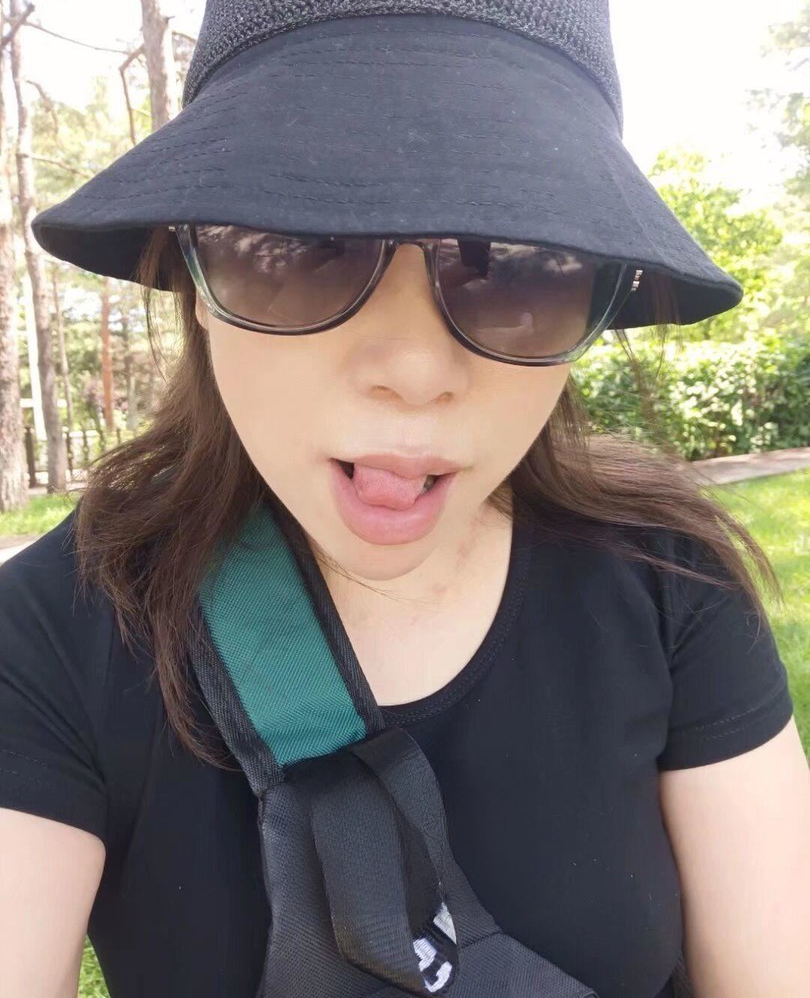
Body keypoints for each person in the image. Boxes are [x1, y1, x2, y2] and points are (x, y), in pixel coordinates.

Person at [2, 2, 810, 996]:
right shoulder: (52, 634)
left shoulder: (669, 584)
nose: (416, 370)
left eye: (514, 264)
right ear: (190, 276)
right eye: (305, 245)